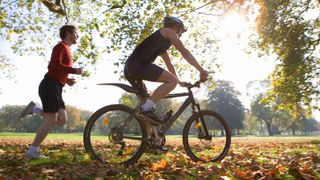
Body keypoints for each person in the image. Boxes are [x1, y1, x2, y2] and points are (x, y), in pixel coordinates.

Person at [124, 16, 208, 134]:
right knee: (148, 106)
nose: (180, 35)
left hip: (131, 68)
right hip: (138, 65)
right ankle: (147, 108)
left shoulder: (162, 41)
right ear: (176, 26)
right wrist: (201, 69)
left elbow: (169, 64)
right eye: (181, 31)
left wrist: (178, 81)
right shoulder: (168, 31)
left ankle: (151, 141)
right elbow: (184, 52)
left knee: (147, 110)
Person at [18, 25, 83, 159]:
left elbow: (58, 70)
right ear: (68, 33)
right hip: (49, 85)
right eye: (76, 33)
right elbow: (54, 65)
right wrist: (74, 70)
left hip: (56, 86)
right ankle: (32, 152)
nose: (78, 36)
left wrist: (67, 80)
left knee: (62, 120)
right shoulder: (60, 46)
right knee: (51, 119)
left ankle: (34, 109)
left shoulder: (66, 49)